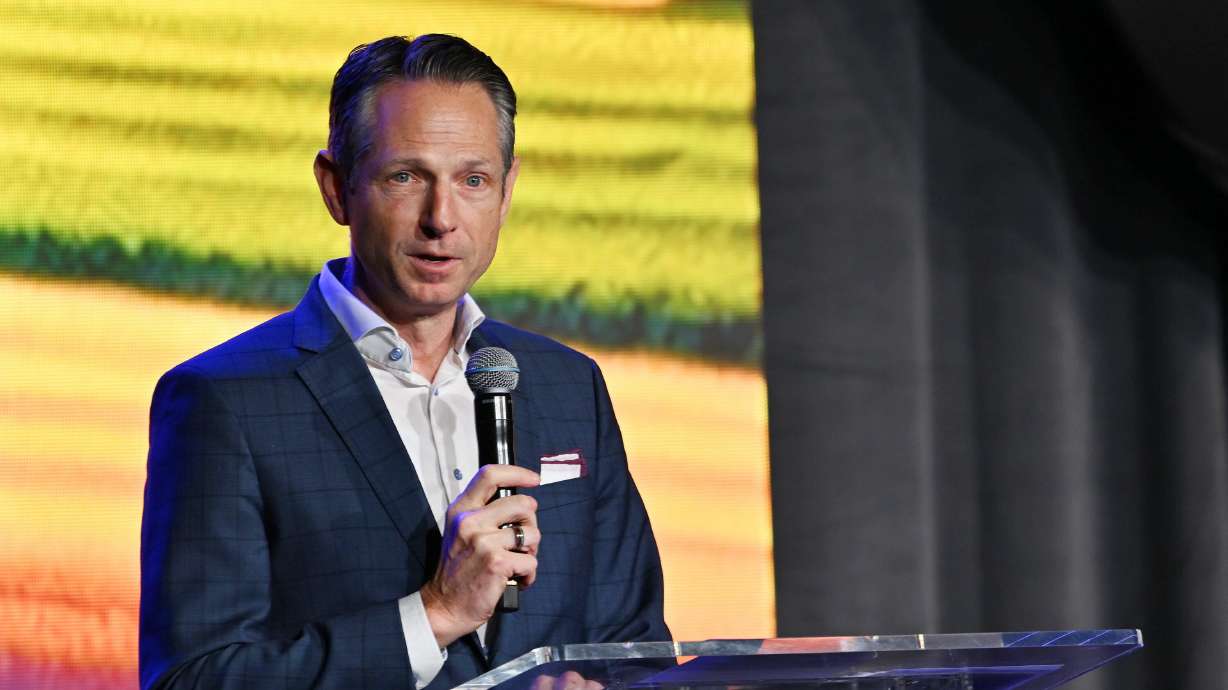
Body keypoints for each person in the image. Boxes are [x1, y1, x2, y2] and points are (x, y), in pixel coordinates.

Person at [140, 34, 669, 690]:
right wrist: (436, 613)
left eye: (472, 180)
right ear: (337, 189)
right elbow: (193, 680)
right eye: (406, 177)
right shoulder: (227, 400)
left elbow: (636, 650)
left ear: (506, 191)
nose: (441, 218)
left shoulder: (568, 385)